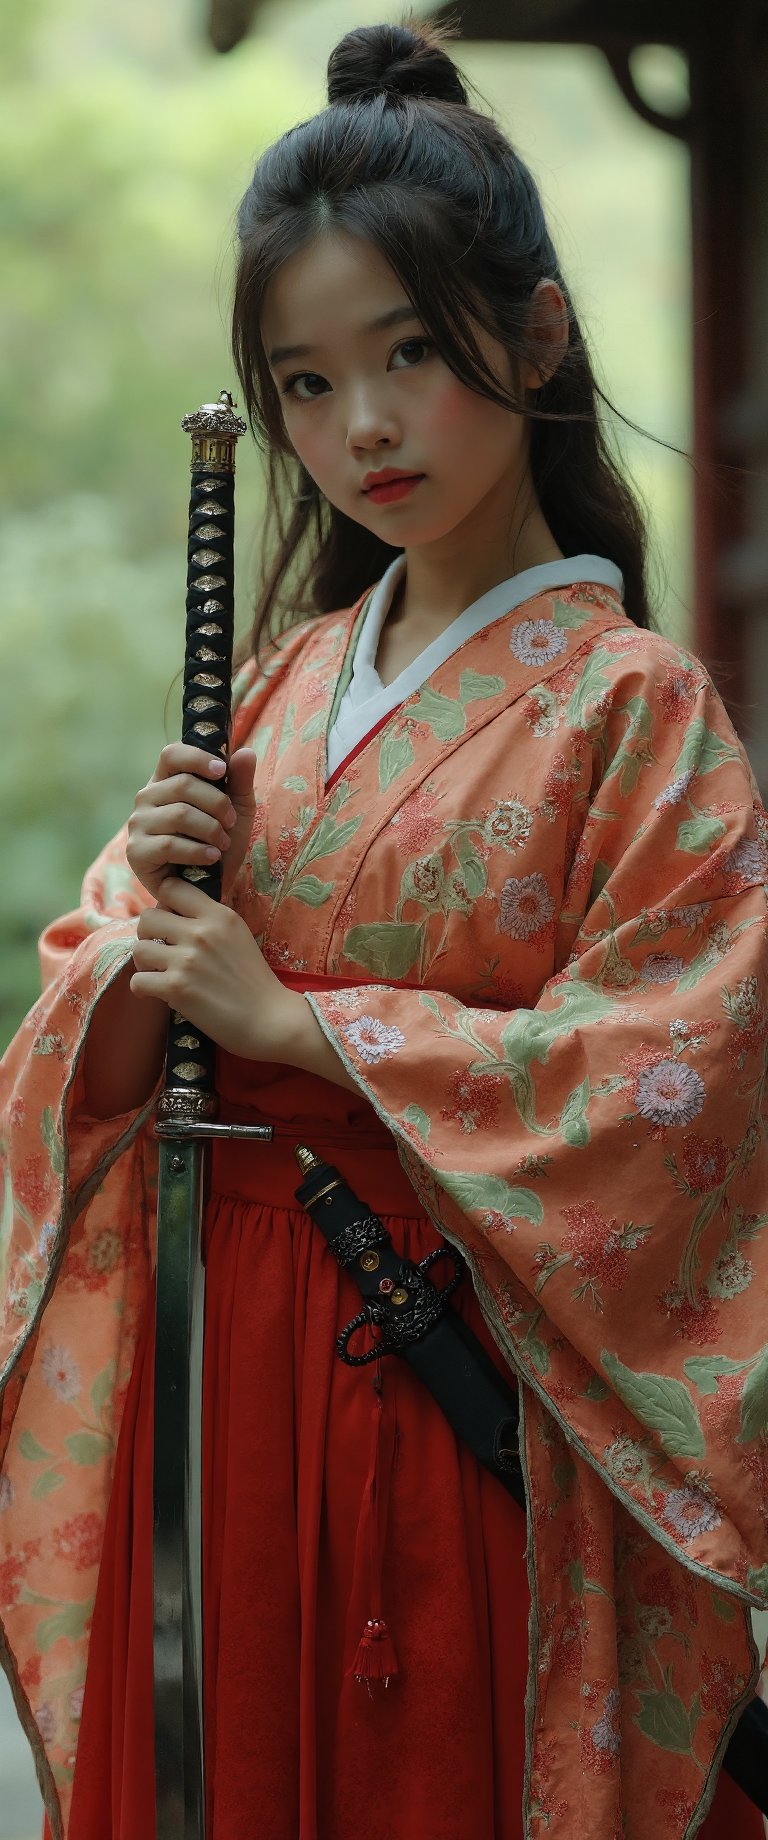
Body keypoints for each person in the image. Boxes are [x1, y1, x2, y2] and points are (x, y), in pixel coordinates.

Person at [1, 15, 766, 1839]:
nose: (364, 425)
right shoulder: (265, 691)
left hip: (438, 1373)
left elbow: (681, 1072)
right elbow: (97, 1045)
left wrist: (307, 1028)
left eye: (410, 351)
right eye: (306, 382)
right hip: (222, 1358)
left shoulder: (632, 706)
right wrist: (143, 924)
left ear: (540, 333)